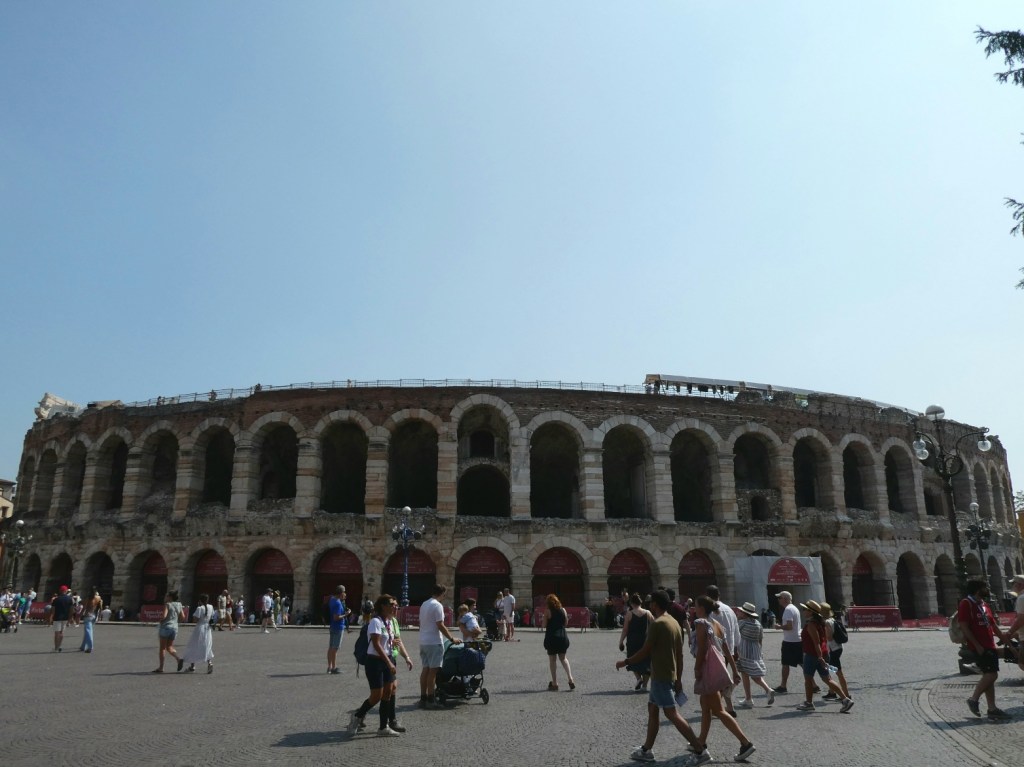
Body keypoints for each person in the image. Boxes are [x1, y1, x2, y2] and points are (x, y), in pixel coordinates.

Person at [615, 590, 706, 765]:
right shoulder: (674, 623)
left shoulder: (658, 624)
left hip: (661, 675)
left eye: (651, 602)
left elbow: (645, 650)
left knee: (671, 713)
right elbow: (680, 655)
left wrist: (625, 661)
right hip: (668, 673)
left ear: (655, 604)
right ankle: (646, 750)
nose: (649, 605)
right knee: (653, 709)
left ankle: (700, 750)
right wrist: (678, 679)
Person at [692, 595, 755, 763]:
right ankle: (701, 743)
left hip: (708, 670)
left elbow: (702, 649)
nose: (694, 609)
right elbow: (728, 651)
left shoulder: (701, 624)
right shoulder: (717, 625)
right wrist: (734, 671)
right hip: (718, 669)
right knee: (705, 708)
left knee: (718, 710)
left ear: (702, 609)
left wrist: (697, 668)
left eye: (696, 606)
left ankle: (745, 743)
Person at [348, 595, 404, 737]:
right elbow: (376, 644)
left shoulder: (390, 622)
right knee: (376, 695)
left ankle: (383, 727)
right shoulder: (375, 622)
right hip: (375, 662)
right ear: (383, 606)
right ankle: (357, 715)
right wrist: (389, 662)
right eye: (391, 604)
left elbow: (389, 641)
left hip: (388, 659)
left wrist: (395, 646)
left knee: (388, 693)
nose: (394, 607)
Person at [958, 578, 1012, 720]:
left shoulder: (984, 604)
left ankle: (992, 708)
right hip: (980, 646)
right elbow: (964, 626)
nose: (987, 590)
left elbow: (993, 626)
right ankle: (973, 699)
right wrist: (976, 645)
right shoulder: (966, 603)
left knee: (989, 675)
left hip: (989, 644)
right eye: (985, 587)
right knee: (992, 675)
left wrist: (1005, 639)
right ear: (978, 590)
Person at [795, 600, 854, 713]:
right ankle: (845, 699)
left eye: (805, 609)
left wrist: (819, 657)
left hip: (813, 654)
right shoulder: (820, 622)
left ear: (811, 612)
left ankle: (809, 703)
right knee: (827, 679)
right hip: (824, 652)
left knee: (808, 679)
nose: (803, 611)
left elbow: (816, 642)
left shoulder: (811, 624)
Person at [418, 584, 461, 708]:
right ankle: (431, 700)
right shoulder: (437, 605)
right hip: (434, 642)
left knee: (425, 670)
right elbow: (440, 625)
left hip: (423, 641)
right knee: (433, 672)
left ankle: (423, 698)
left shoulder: (424, 604)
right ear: (442, 593)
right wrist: (452, 638)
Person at [706, 585, 740, 715]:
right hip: (729, 649)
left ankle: (717, 708)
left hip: (716, 650)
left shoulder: (710, 611)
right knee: (722, 678)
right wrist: (736, 647)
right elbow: (736, 630)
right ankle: (729, 708)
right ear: (719, 595)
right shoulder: (729, 610)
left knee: (717, 681)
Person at [734, 602, 774, 707]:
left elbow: (736, 636)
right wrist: (760, 651)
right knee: (751, 673)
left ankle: (767, 690)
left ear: (744, 613)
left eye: (741, 611)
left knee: (750, 675)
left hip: (744, 651)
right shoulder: (757, 624)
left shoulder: (742, 623)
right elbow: (760, 640)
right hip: (755, 650)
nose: (738, 613)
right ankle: (748, 698)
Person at [619, 593, 652, 691]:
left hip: (633, 641)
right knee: (646, 662)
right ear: (640, 602)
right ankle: (645, 686)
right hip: (645, 640)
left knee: (632, 659)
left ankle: (638, 679)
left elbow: (625, 630)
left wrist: (621, 642)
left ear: (632, 603)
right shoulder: (648, 612)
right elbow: (654, 624)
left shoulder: (629, 613)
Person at [544, 593, 576, 690]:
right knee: (563, 658)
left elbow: (544, 625)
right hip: (562, 637)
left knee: (552, 660)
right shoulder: (563, 610)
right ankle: (570, 679)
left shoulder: (547, 611)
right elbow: (566, 623)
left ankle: (555, 683)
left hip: (552, 637)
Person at [820, 602, 850, 701]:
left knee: (838, 673)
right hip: (837, 648)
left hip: (833, 650)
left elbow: (829, 637)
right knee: (831, 670)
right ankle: (831, 692)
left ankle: (846, 695)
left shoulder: (827, 623)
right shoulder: (832, 620)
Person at [773, 590, 801, 694]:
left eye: (779, 598)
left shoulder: (788, 610)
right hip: (797, 639)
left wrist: (779, 626)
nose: (778, 600)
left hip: (790, 641)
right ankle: (814, 684)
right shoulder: (794, 608)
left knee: (785, 663)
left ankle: (783, 686)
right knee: (802, 662)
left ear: (785, 599)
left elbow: (790, 626)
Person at [182, 593, 215, 673]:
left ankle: (192, 666)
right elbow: (212, 616)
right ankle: (209, 662)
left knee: (194, 645)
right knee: (207, 645)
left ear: (200, 600)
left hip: (200, 628)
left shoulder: (200, 608)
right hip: (207, 628)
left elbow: (195, 620)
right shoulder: (211, 607)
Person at [153, 590, 185, 673]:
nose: (165, 597)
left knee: (162, 648)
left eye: (166, 596)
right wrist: (176, 621)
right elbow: (183, 617)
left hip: (166, 627)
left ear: (170, 597)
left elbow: (164, 616)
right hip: (174, 628)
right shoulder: (179, 604)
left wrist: (160, 620)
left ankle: (161, 667)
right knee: (169, 647)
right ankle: (178, 659)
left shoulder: (167, 605)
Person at [327, 585, 351, 674]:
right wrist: (346, 614)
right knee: (335, 648)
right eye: (344, 592)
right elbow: (336, 617)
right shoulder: (337, 603)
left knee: (331, 647)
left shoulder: (332, 599)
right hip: (338, 627)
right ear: (341, 593)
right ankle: (333, 667)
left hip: (333, 626)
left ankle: (329, 667)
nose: (345, 594)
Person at [50, 585, 74, 652]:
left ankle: (56, 648)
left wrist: (51, 618)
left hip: (57, 617)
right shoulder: (70, 599)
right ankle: (59, 646)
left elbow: (53, 610)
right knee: (61, 632)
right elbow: (72, 610)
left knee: (56, 633)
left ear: (60, 591)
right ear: (66, 591)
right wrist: (70, 618)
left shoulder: (56, 599)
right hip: (65, 618)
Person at [79, 587, 102, 653]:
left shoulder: (88, 598)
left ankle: (90, 647)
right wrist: (99, 616)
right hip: (93, 615)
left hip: (88, 615)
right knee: (87, 632)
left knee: (88, 631)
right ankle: (83, 646)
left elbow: (84, 608)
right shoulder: (98, 598)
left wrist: (80, 615)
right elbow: (100, 607)